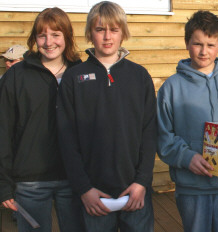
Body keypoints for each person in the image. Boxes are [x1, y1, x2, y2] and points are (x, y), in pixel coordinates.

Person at [57, 1, 157, 231]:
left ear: (123, 33)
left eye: (114, 29)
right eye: (100, 29)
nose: (107, 36)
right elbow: (66, 138)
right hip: (94, 195)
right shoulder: (74, 78)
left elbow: (149, 132)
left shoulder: (140, 76)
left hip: (135, 192)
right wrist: (84, 189)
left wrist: (142, 182)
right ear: (90, 34)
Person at [156, 10, 218, 232]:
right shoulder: (171, 88)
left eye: (210, 45)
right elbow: (163, 136)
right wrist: (186, 157)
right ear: (187, 43)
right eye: (197, 44)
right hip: (192, 187)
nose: (203, 51)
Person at [0, 7, 83, 232]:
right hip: (30, 180)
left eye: (56, 35)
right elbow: (3, 131)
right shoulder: (16, 76)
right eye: (42, 35)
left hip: (75, 178)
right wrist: (4, 184)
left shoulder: (81, 74)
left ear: (67, 36)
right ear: (34, 38)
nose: (49, 42)